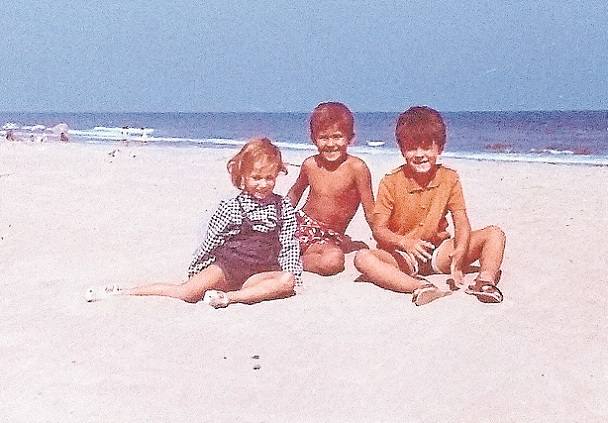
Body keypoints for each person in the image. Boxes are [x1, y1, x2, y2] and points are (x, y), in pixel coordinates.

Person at [85, 138, 302, 308]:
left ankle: (228, 298)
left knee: (286, 282)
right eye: (256, 177)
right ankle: (124, 291)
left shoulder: (282, 207)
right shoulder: (232, 207)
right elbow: (212, 241)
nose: (263, 184)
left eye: (269, 178)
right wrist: (198, 270)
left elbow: (289, 244)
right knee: (186, 293)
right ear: (242, 176)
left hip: (260, 273)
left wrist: (292, 273)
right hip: (228, 268)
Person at [354, 106, 506, 306]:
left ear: (439, 148)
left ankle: (485, 282)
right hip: (403, 255)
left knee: (495, 233)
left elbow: (460, 221)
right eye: (411, 148)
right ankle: (420, 286)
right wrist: (405, 243)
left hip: (439, 251)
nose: (419, 154)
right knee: (362, 258)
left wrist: (460, 252)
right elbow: (379, 230)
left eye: (426, 147)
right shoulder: (390, 182)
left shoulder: (449, 178)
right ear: (402, 150)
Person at [287, 102, 375, 276]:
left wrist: (382, 239)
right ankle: (284, 256)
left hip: (329, 237)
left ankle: (291, 259)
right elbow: (294, 194)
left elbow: (370, 211)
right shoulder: (310, 165)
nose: (330, 144)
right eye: (324, 137)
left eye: (337, 137)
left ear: (350, 138)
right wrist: (278, 216)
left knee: (333, 262)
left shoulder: (357, 168)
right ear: (314, 139)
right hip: (299, 224)